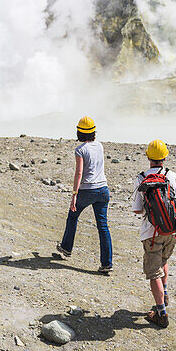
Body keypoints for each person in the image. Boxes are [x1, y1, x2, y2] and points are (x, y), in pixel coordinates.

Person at [130, 139, 176, 329]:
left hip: (151, 232)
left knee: (154, 272)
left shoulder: (141, 178)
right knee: (163, 262)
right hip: (172, 230)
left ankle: (161, 312)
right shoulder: (174, 177)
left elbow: (137, 209)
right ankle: (165, 293)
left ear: (148, 156)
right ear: (165, 157)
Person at [55, 116, 112, 273]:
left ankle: (66, 248)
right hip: (103, 189)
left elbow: (79, 173)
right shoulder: (99, 146)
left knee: (72, 217)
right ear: (93, 132)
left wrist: (74, 194)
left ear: (79, 132)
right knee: (103, 226)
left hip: (87, 190)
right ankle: (106, 263)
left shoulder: (80, 150)